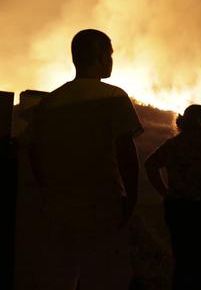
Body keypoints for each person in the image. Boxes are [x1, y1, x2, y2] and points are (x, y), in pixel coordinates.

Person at [27, 29, 143, 289]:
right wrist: (131, 197)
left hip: (58, 207)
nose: (112, 61)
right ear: (101, 57)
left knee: (59, 278)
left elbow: (33, 152)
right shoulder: (114, 97)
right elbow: (126, 151)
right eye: (110, 55)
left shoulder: (49, 103)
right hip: (101, 205)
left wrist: (45, 191)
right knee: (104, 278)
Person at [145, 104, 201, 289]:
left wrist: (165, 192)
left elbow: (150, 165)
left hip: (178, 207)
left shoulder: (173, 145)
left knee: (183, 261)